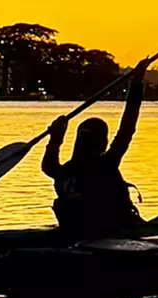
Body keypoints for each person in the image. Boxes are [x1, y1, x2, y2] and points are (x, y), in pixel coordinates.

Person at [41, 60, 148, 238]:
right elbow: (127, 127)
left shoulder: (63, 172)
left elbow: (48, 165)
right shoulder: (105, 165)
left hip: (77, 229)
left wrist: (56, 138)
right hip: (113, 230)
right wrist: (137, 83)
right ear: (102, 142)